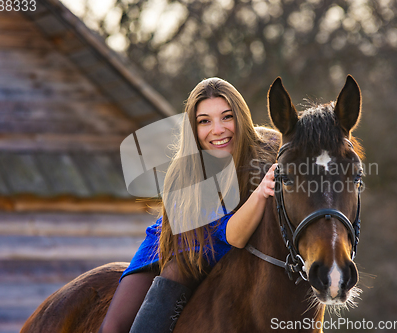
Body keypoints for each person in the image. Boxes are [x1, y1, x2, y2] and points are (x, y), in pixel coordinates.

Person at [99, 77, 279, 333]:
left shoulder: (270, 147)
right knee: (113, 328)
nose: (217, 129)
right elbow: (230, 236)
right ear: (193, 129)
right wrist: (260, 193)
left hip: (232, 245)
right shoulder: (186, 175)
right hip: (183, 244)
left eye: (226, 117)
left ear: (241, 118)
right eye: (204, 121)